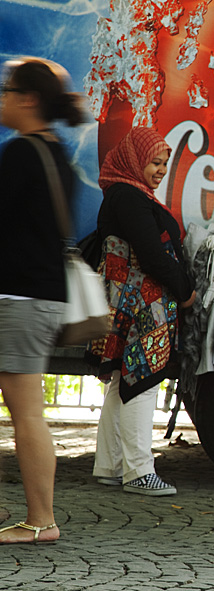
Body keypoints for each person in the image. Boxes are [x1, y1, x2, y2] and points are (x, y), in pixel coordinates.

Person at [0, 56, 84, 543]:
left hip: (19, 297)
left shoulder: (21, 153)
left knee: (27, 411)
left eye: (8, 91)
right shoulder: (56, 153)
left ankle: (40, 520)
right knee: (26, 408)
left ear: (28, 99)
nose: (3, 100)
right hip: (40, 296)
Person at [88, 127, 196, 496]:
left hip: (130, 302)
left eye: (165, 163)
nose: (161, 170)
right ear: (134, 161)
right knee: (143, 381)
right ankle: (138, 471)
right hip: (142, 306)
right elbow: (152, 255)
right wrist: (185, 291)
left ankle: (110, 464)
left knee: (123, 380)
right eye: (154, 162)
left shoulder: (125, 194)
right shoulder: (129, 197)